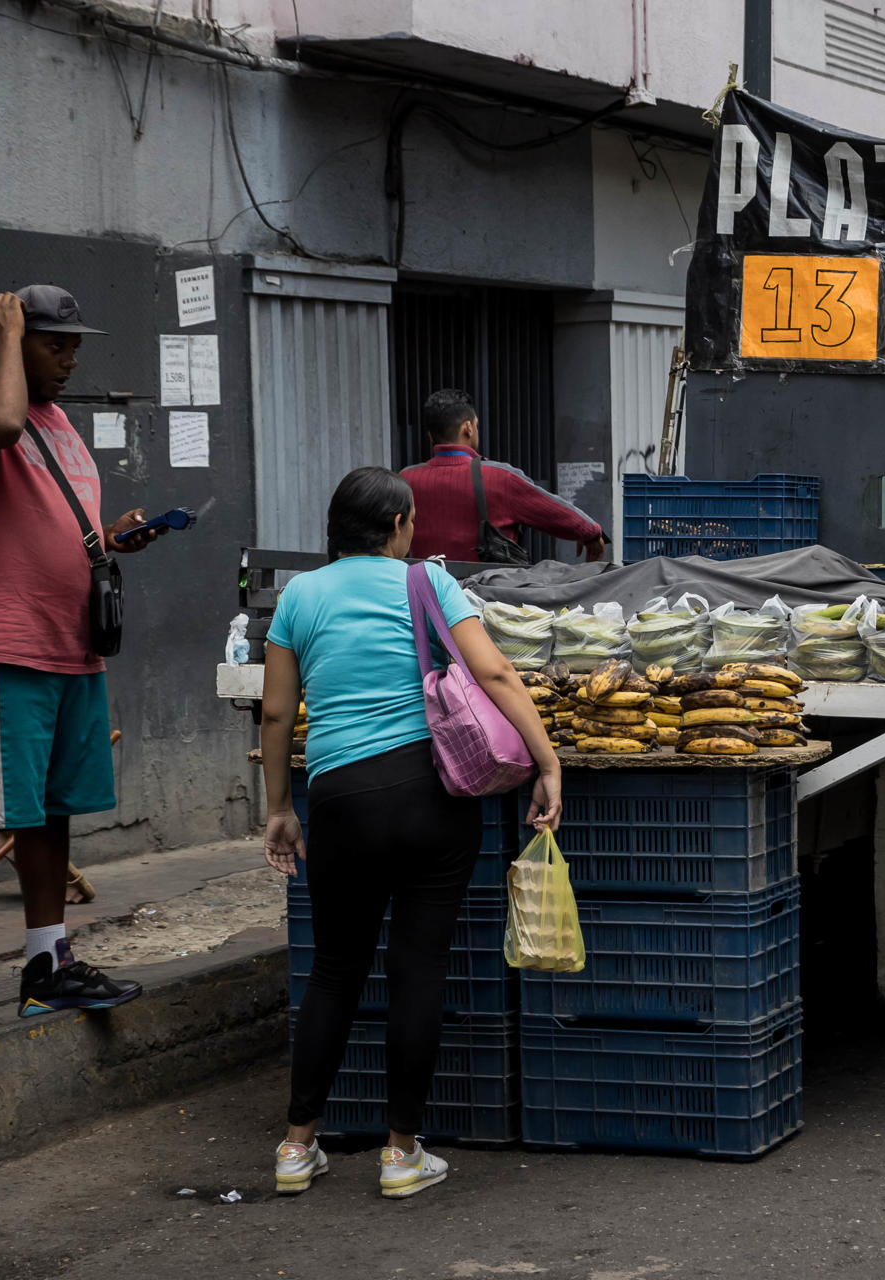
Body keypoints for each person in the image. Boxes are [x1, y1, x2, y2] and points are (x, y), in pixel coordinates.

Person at [259, 466, 562, 1199]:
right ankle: (401, 1155)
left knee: (334, 968)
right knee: (418, 966)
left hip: (339, 798)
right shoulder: (427, 583)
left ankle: (297, 1147)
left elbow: (274, 714)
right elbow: (491, 673)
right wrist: (547, 762)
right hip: (431, 796)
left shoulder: (299, 595)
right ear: (397, 526)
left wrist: (278, 808)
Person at [0, 285, 162, 1048]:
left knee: (52, 812)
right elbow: (1, 424)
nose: (72, 360)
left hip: (71, 649)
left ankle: (47, 967)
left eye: (75, 345)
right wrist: (6, 337)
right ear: (15, 339)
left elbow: (47, 523)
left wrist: (110, 539)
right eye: (57, 345)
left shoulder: (64, 429)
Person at [402, 389, 606, 564]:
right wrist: (591, 532)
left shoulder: (405, 480)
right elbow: (554, 511)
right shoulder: (498, 477)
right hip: (487, 598)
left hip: (425, 596)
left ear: (430, 436)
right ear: (468, 428)